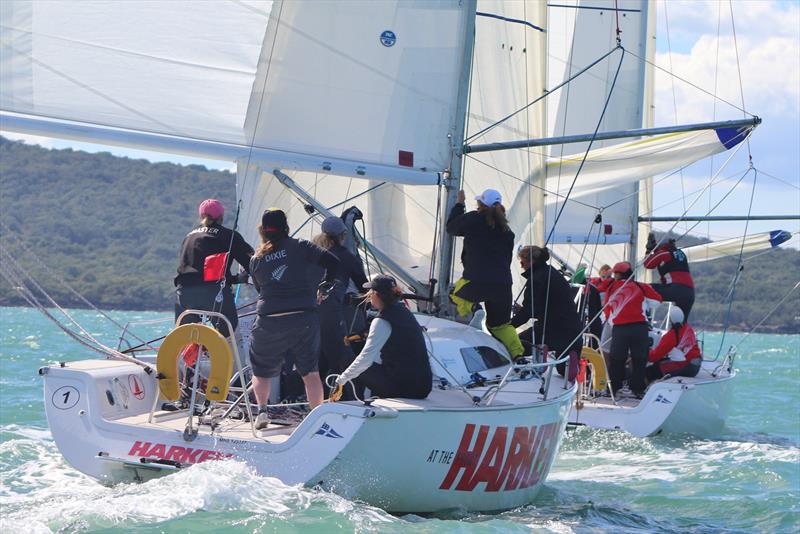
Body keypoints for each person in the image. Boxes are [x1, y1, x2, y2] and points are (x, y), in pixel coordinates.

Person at [248, 208, 340, 430]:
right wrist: (325, 287)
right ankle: (315, 418)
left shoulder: (256, 258)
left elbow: (260, 289)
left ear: (263, 230)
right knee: (310, 372)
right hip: (302, 318)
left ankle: (262, 412)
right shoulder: (301, 246)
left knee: (261, 372)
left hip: (269, 319)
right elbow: (334, 262)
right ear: (286, 227)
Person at [446, 188, 523, 359]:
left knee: (454, 294)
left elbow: (451, 228)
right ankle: (518, 355)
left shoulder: (474, 218)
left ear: (480, 203)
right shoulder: (507, 231)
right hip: (503, 284)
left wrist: (459, 204)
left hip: (476, 280)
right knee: (500, 326)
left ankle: (475, 308)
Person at [334, 275, 432, 399]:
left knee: (347, 361)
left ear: (376, 294)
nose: (368, 295)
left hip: (403, 388)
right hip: (423, 387)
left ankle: (352, 403)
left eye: (371, 292)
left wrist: (341, 380)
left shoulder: (382, 320)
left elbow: (365, 359)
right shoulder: (404, 312)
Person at [174, 199, 253, 338]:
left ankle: (191, 356)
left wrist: (235, 279)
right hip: (214, 294)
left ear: (201, 217)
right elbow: (253, 263)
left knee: (186, 338)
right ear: (221, 217)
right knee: (229, 335)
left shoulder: (188, 237)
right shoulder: (228, 235)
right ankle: (214, 354)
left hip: (185, 294)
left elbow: (197, 274)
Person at [311, 216, 368, 388]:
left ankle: (302, 398)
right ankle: (349, 399)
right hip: (331, 312)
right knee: (343, 358)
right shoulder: (346, 256)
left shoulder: (313, 252)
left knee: (320, 357)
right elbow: (363, 285)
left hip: (309, 313)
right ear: (343, 235)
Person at [511, 246, 583, 379]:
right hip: (573, 328)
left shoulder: (536, 278)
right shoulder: (553, 272)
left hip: (549, 328)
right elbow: (551, 304)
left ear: (531, 261)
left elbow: (528, 311)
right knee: (564, 371)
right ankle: (560, 357)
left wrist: (508, 328)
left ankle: (540, 351)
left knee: (514, 346)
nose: (521, 267)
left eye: (522, 262)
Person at [604, 261, 663, 397]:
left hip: (620, 329)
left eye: (615, 273)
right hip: (639, 327)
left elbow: (607, 310)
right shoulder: (641, 286)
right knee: (639, 359)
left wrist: (613, 323)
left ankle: (613, 389)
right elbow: (657, 302)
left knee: (617, 359)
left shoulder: (612, 288)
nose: (614, 275)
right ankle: (637, 390)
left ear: (619, 274)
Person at [643, 233, 695, 318]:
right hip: (689, 292)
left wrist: (649, 250)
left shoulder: (665, 253)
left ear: (662, 246)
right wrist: (655, 250)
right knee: (679, 324)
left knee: (643, 289)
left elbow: (648, 264)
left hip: (676, 288)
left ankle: (646, 318)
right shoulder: (680, 253)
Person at [646, 306, 702, 381]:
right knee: (662, 362)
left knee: (652, 370)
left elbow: (654, 357)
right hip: (696, 366)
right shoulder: (688, 329)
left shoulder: (671, 336)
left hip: (686, 366)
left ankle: (641, 390)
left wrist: (645, 352)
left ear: (671, 320)